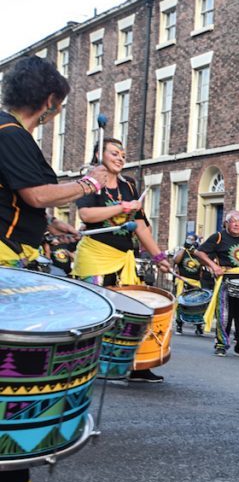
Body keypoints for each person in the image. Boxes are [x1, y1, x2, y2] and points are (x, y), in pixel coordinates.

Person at [0, 56, 111, 482]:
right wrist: (88, 183)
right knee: (15, 378)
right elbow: (35, 194)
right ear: (49, 101)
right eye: (59, 107)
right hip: (4, 266)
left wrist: (49, 227)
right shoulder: (10, 133)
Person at [71, 137, 172, 383]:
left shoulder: (128, 186)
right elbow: (86, 214)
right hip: (95, 255)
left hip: (124, 257)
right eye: (114, 153)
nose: (120, 158)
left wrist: (158, 256)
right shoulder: (90, 182)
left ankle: (134, 364)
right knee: (94, 312)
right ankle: (87, 365)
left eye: (123, 155)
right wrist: (122, 208)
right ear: (99, 154)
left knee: (130, 313)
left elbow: (140, 226)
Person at [196, 210, 239, 357]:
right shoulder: (218, 237)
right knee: (224, 314)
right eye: (233, 221)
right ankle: (221, 344)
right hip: (227, 279)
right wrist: (214, 266)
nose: (237, 224)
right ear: (226, 223)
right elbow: (199, 253)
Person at [173, 234, 204, 335]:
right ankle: (179, 324)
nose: (190, 241)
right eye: (188, 239)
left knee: (198, 304)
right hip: (183, 280)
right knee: (181, 303)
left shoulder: (198, 253)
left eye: (192, 240)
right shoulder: (183, 252)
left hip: (195, 282)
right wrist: (184, 248)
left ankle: (199, 326)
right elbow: (176, 260)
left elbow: (202, 266)